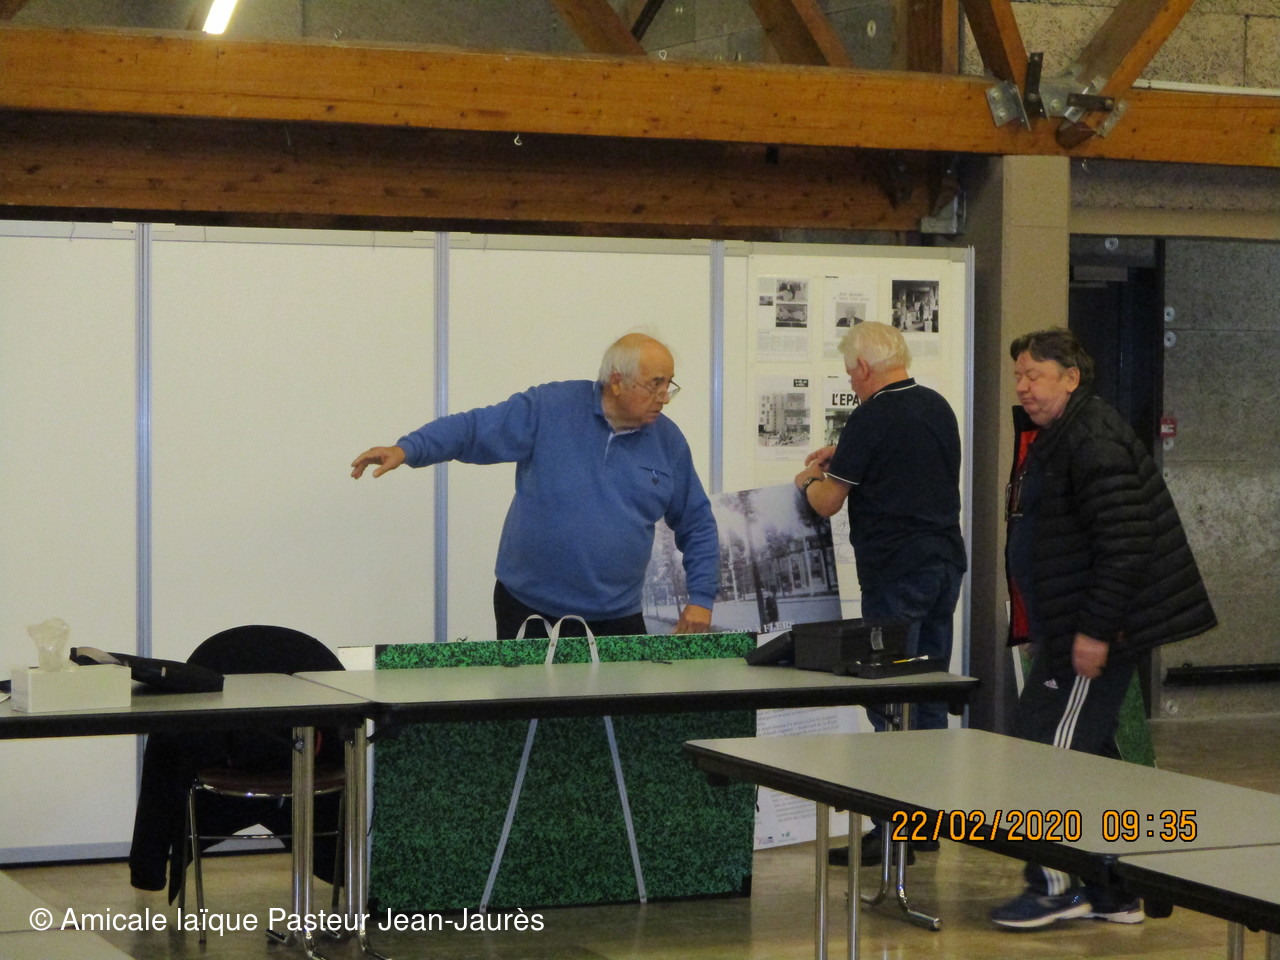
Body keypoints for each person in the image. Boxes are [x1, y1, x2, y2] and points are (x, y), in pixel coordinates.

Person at [991, 328, 1216, 930]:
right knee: (1087, 758)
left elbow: (1124, 544)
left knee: (1046, 753)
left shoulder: (1092, 439)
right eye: (1019, 375)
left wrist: (1093, 632)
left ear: (1071, 377)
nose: (1023, 386)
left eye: (1034, 374)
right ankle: (1112, 890)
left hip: (1090, 635)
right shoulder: (1066, 434)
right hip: (1072, 628)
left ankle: (1055, 888)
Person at [350, 333, 719, 639]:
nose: (664, 397)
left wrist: (701, 599)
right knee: (526, 707)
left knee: (614, 710)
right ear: (617, 381)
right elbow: (474, 429)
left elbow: (698, 523)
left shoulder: (669, 443)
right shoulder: (550, 408)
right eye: (654, 385)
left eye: (668, 385)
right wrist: (407, 449)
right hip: (527, 610)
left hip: (616, 618)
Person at [794, 321, 966, 866]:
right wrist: (845, 452)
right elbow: (903, 468)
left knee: (888, 698)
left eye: (851, 374)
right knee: (928, 693)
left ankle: (892, 830)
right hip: (944, 564)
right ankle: (924, 824)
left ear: (864, 368)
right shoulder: (937, 406)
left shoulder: (871, 415)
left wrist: (807, 480)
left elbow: (827, 502)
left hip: (895, 572)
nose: (852, 382)